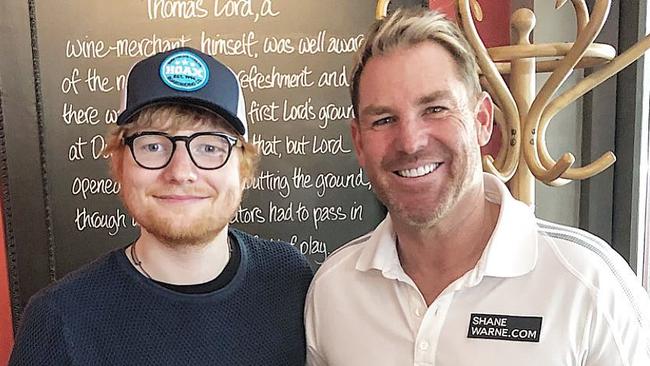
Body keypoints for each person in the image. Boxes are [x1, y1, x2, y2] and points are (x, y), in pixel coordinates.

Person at [305, 8, 650, 365]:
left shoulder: (587, 286)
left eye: (435, 109)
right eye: (384, 119)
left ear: (482, 120)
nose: (409, 142)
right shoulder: (334, 291)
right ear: (359, 143)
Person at [10, 47, 313, 365]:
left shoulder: (289, 278)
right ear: (119, 164)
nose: (181, 172)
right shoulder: (60, 321)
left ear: (243, 168)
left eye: (210, 146)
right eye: (153, 145)